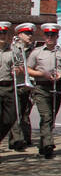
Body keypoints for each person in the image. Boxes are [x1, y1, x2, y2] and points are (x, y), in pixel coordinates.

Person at [26, 23, 61, 159]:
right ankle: (48, 145)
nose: (50, 38)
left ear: (57, 36)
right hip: (41, 87)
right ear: (44, 36)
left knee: (51, 117)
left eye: (53, 35)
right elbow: (28, 69)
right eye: (47, 35)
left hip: (56, 87)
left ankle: (43, 145)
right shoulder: (37, 52)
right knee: (46, 116)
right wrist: (41, 74)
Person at [9, 23, 35, 151]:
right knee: (16, 112)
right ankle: (17, 140)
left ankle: (25, 138)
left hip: (28, 85)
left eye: (31, 34)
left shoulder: (33, 50)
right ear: (20, 35)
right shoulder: (13, 49)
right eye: (27, 34)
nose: (29, 36)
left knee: (25, 112)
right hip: (16, 84)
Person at [0, 23, 19, 149]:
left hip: (8, 86)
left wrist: (17, 69)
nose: (2, 36)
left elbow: (20, 65)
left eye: (4, 33)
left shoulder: (13, 50)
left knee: (10, 118)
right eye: (0, 33)